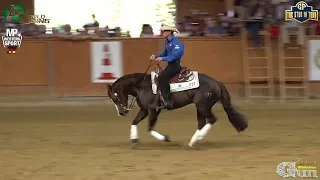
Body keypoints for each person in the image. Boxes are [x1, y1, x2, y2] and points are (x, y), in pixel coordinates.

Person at [150, 25, 185, 109]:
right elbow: (165, 53)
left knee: (162, 77)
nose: (163, 33)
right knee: (160, 76)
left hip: (175, 65)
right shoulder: (168, 42)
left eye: (165, 31)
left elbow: (174, 56)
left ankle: (168, 100)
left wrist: (162, 58)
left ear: (169, 32)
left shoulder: (177, 43)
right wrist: (155, 56)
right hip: (171, 65)